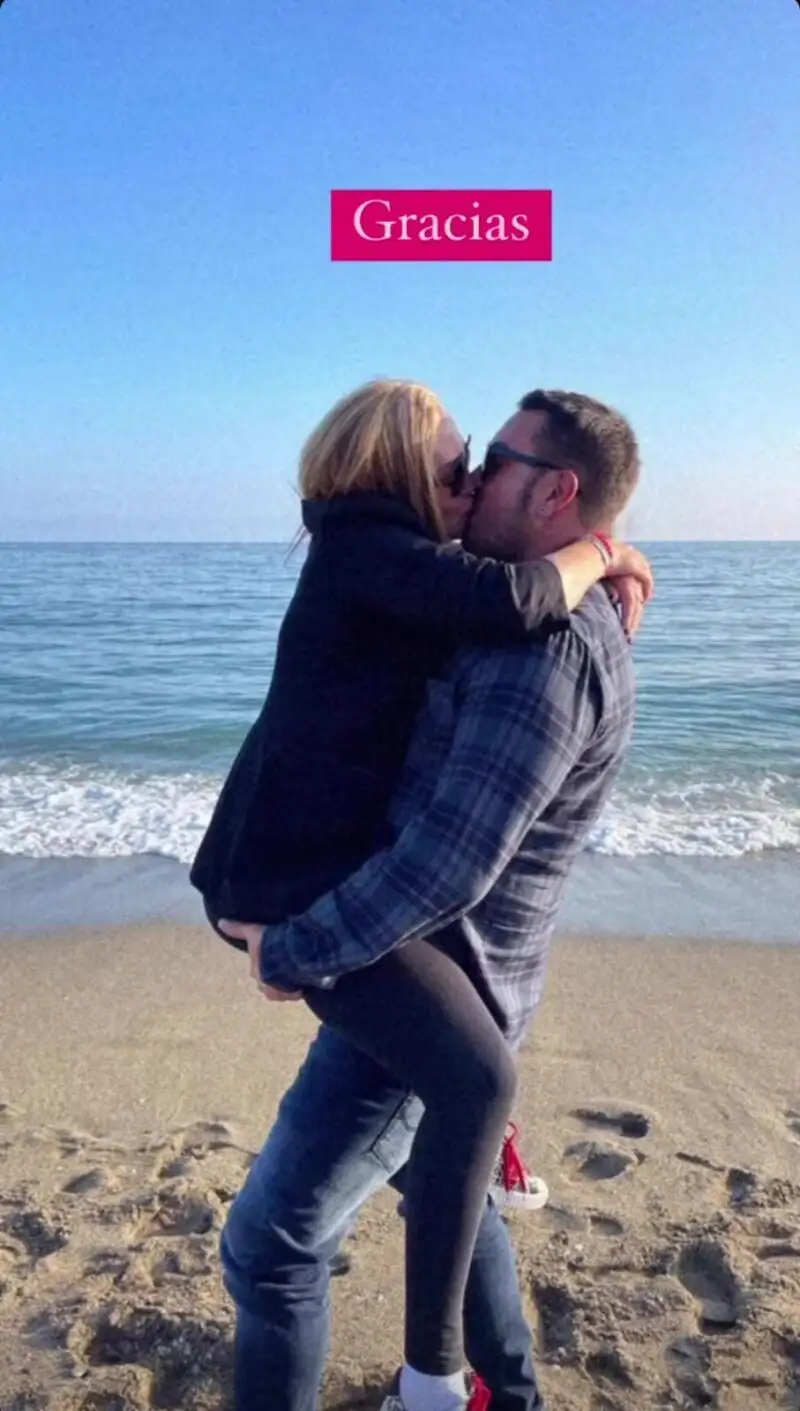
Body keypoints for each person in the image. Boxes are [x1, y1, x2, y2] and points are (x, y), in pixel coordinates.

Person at [190, 380, 651, 1411]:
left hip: (426, 980)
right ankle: (511, 1394)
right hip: (413, 965)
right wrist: (606, 554)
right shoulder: (469, 589)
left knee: (270, 1247)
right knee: (445, 1185)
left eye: (489, 463)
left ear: (555, 491)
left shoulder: (539, 647)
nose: (473, 478)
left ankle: (445, 1384)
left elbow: (446, 863)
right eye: (461, 463)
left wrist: (295, 949)